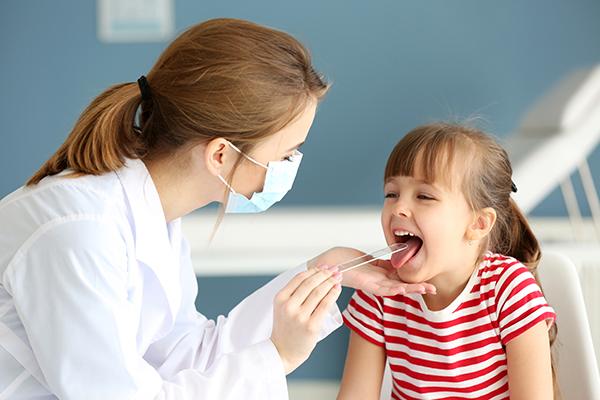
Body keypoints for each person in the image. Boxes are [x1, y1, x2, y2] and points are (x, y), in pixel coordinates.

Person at [0, 18, 435, 399]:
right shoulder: (79, 232)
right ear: (221, 156)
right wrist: (277, 356)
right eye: (287, 153)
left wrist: (324, 272)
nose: (290, 166)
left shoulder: (152, 219)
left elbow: (188, 357)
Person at [338, 123, 558, 399]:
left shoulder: (509, 290)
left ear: (478, 223)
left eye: (424, 196)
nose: (399, 208)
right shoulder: (380, 294)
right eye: (391, 194)